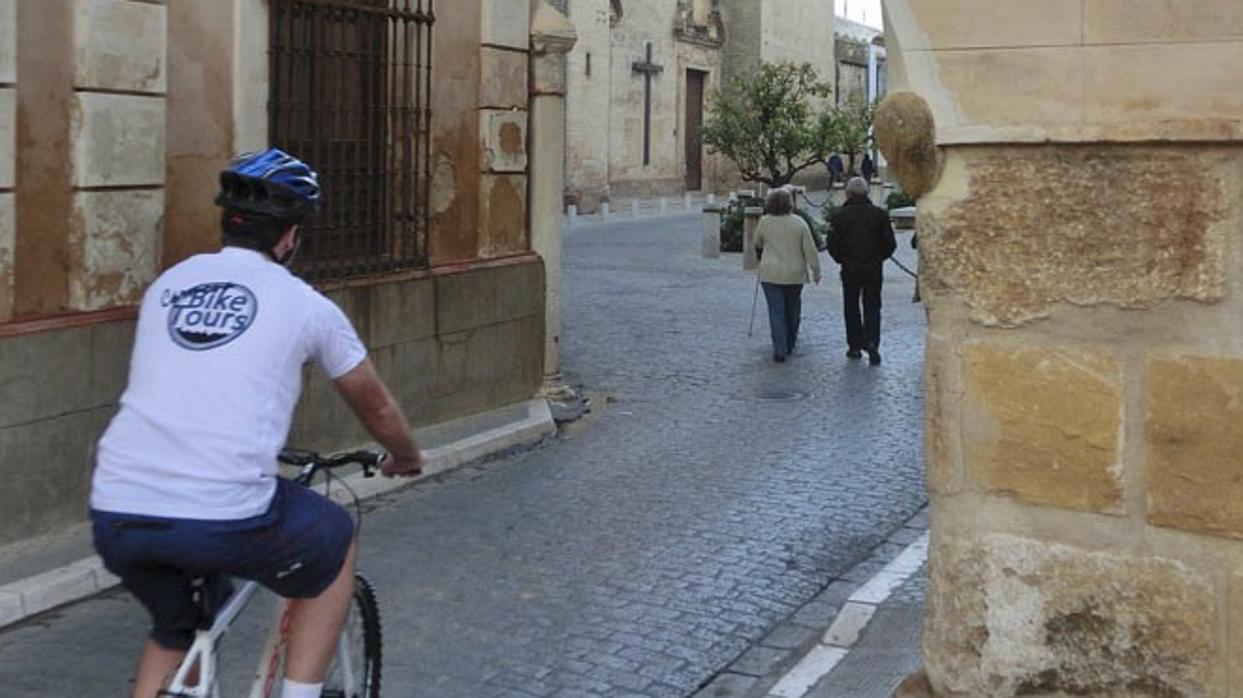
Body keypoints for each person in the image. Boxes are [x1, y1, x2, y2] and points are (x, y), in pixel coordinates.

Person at [89, 148, 425, 698]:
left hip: (117, 509)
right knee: (335, 541)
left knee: (179, 626)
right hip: (221, 511)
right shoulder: (305, 304)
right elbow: (377, 406)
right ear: (289, 236)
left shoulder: (169, 286)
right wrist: (406, 456)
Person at [828, 177, 896, 365]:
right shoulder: (879, 215)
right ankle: (873, 341)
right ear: (867, 193)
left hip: (850, 268)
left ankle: (855, 345)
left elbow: (832, 245)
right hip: (873, 268)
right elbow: (890, 244)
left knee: (851, 307)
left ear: (848, 193)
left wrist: (842, 259)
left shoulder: (840, 216)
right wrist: (878, 258)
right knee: (873, 306)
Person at [755, 187, 821, 363]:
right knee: (793, 309)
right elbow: (810, 249)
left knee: (775, 311)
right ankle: (790, 342)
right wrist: (816, 270)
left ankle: (779, 348)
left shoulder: (764, 222)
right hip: (794, 273)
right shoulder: (799, 223)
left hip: (770, 273)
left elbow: (757, 242)